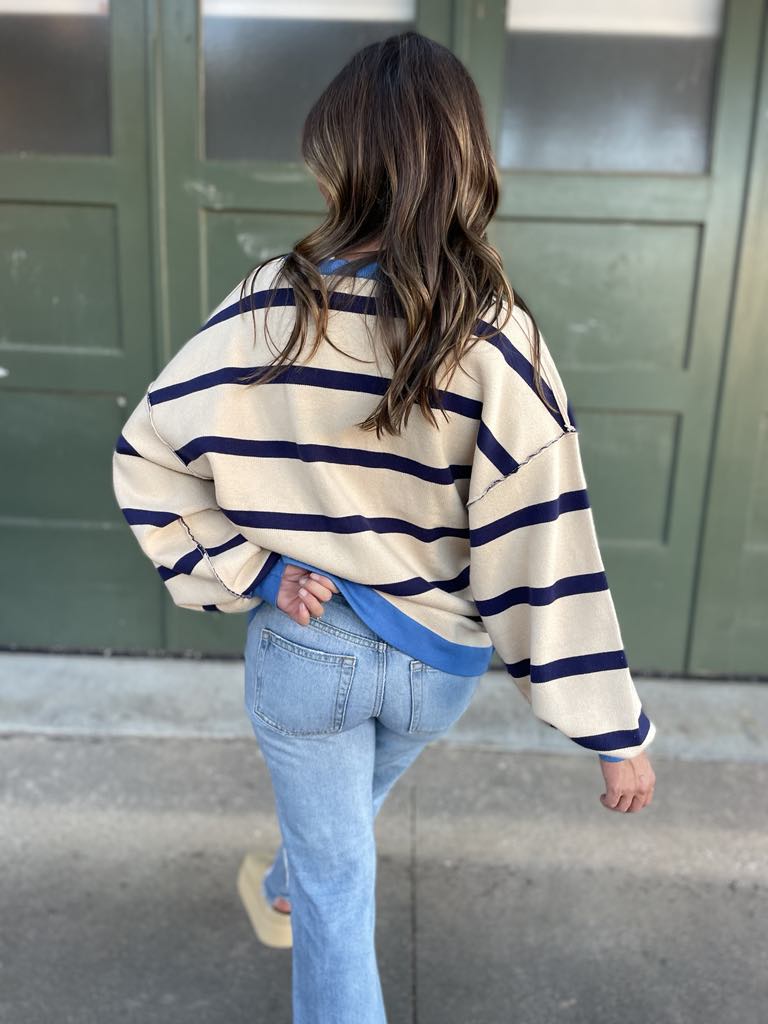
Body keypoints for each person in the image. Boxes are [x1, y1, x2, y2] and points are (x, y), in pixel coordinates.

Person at [112, 30, 657, 1024]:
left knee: (336, 894)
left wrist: (251, 568)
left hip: (306, 649)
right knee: (335, 844)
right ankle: (290, 873)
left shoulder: (271, 305)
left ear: (338, 159)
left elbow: (146, 454)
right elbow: (548, 541)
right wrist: (613, 732)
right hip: (435, 668)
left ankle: (300, 882)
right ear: (468, 161)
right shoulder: (497, 333)